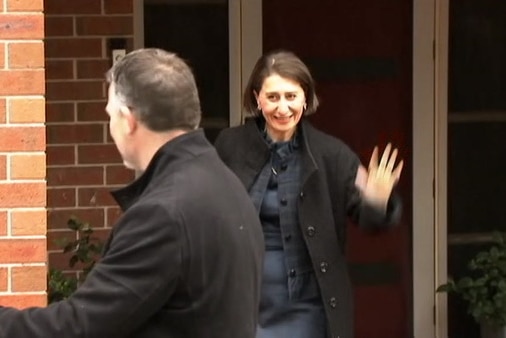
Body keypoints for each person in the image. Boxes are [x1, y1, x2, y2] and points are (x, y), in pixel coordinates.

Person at [0, 48, 264, 338]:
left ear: (128, 120)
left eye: (110, 114)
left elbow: (78, 327)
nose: (110, 125)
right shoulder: (224, 183)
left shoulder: (163, 214)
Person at [214, 50, 403, 338]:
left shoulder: (332, 154)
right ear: (257, 98)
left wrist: (377, 201)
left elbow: (369, 222)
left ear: (305, 98)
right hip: (244, 305)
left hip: (308, 308)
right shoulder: (231, 145)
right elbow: (206, 210)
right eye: (273, 96)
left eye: (291, 96)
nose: (282, 108)